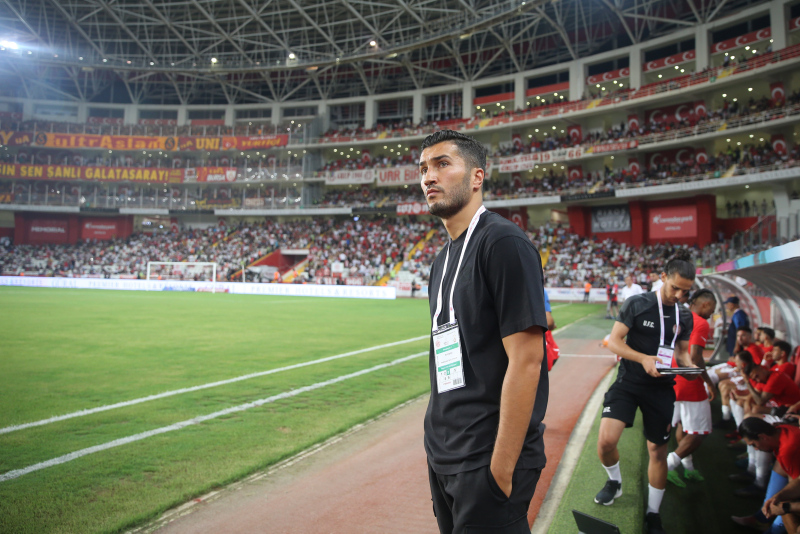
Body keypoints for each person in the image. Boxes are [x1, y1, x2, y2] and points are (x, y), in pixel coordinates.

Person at [421, 129, 549, 534]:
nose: (428, 177)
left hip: (486, 459)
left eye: (443, 164)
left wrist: (500, 470)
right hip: (445, 454)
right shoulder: (441, 261)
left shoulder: (504, 243)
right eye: (424, 168)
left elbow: (528, 361)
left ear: (477, 177)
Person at [595, 250, 696, 534]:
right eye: (675, 287)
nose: (679, 295)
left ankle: (653, 513)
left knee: (658, 450)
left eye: (685, 291)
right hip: (629, 382)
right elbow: (613, 341)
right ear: (663, 277)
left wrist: (693, 368)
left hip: (661, 388)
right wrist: (642, 358)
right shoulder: (637, 303)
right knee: (606, 441)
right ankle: (614, 481)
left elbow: (683, 352)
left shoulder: (684, 315)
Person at [666, 289, 717, 488]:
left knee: (683, 425)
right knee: (699, 432)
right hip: (689, 382)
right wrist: (709, 382)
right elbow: (695, 357)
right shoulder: (701, 323)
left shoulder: (680, 315)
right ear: (705, 304)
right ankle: (669, 465)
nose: (712, 313)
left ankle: (688, 467)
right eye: (712, 308)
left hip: (673, 377)